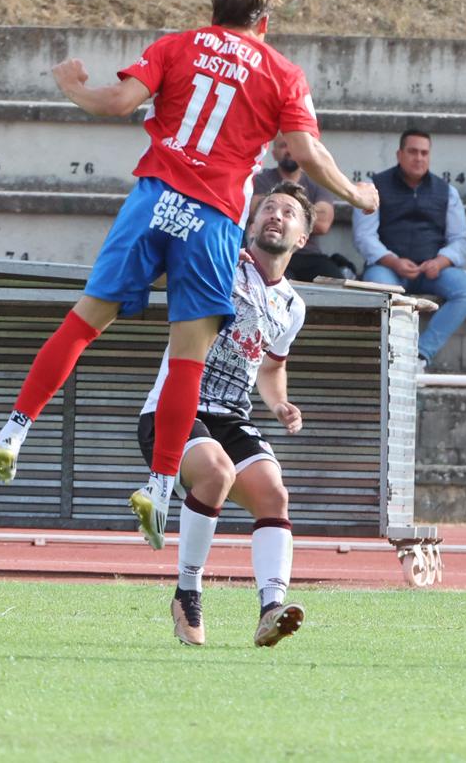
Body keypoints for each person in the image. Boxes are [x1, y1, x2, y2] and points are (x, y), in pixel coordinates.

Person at [0, 0, 379, 553]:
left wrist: (71, 85)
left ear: (213, 8)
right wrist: (353, 194)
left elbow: (117, 102)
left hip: (153, 199)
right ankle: (161, 482)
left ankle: (14, 433)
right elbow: (304, 150)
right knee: (188, 358)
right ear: (264, 22)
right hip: (213, 216)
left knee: (84, 321)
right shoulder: (281, 72)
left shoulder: (176, 45)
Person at [145, 182, 313, 648]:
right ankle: (187, 592)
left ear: (302, 237)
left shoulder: (293, 306)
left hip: (231, 415)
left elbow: (272, 366)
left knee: (274, 495)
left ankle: (270, 609)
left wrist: (279, 403)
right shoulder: (221, 261)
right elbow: (166, 270)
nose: (275, 215)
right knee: (215, 473)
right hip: (174, 407)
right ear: (252, 222)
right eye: (267, 208)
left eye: (288, 212)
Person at [352, 129, 466, 367]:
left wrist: (441, 262)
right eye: (412, 152)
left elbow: (460, 239)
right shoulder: (374, 187)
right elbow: (363, 237)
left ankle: (420, 355)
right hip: (388, 268)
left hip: (432, 270)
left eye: (424, 153)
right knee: (378, 290)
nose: (418, 158)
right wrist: (393, 261)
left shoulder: (447, 191)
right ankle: (388, 356)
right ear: (399, 154)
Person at [250, 135, 351, 281]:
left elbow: (323, 224)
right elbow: (255, 213)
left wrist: (271, 204)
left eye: (293, 146)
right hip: (271, 252)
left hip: (310, 255)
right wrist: (302, 213)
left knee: (338, 285)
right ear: (274, 154)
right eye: (283, 145)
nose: (289, 150)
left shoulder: (318, 181)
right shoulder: (260, 180)